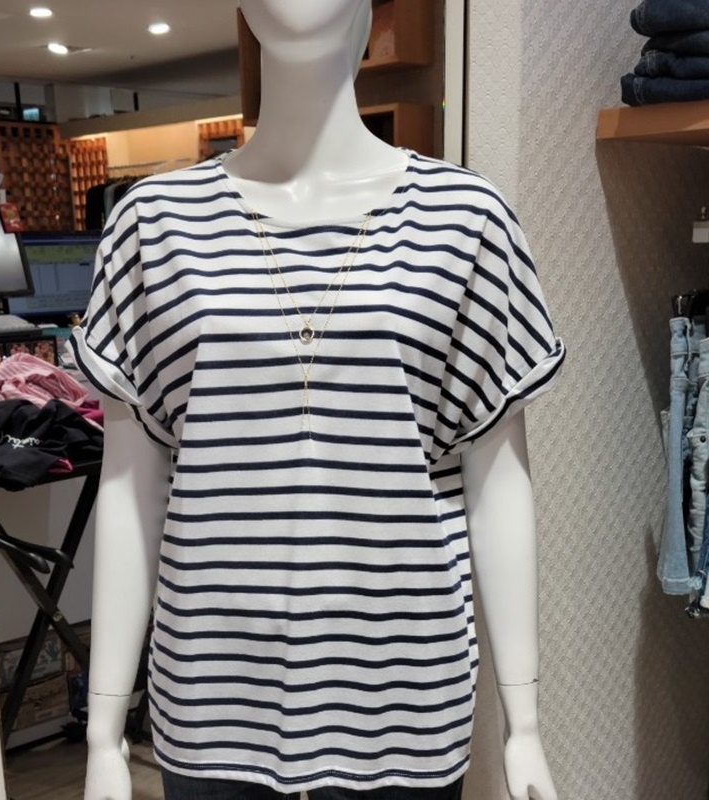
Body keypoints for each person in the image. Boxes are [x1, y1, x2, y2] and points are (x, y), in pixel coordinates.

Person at [69, 2, 565, 799]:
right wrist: (103, 731)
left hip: (402, 696)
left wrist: (525, 723)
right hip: (211, 697)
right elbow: (131, 485)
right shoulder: (153, 225)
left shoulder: (467, 220)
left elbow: (496, 479)